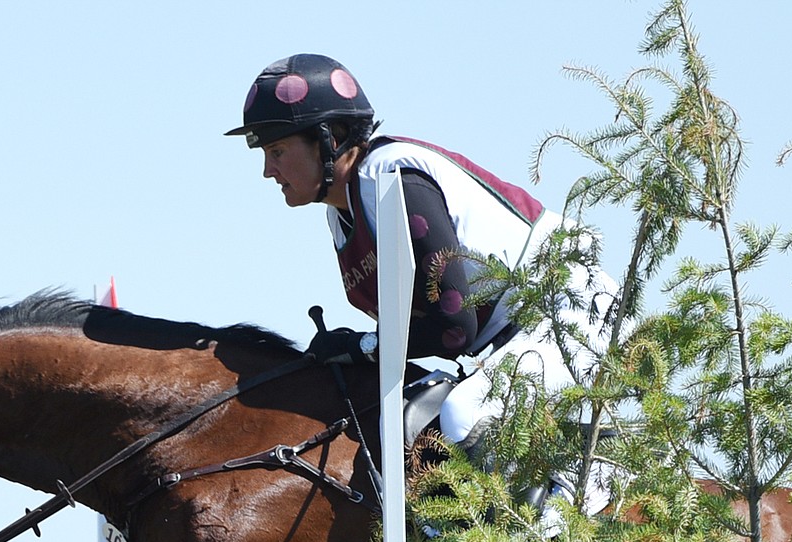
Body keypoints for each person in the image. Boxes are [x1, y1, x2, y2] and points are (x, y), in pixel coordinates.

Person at [227, 53, 618, 510]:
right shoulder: (342, 213)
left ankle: (580, 498)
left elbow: (455, 328)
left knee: (463, 414)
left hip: (571, 310)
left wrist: (361, 347)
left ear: (328, 139)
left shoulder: (390, 177)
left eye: (277, 151)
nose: (268, 171)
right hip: (511, 334)